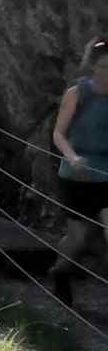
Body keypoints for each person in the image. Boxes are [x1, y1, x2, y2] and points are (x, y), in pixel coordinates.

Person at [48, 38, 108, 307]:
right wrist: (72, 157)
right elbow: (59, 134)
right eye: (104, 67)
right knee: (79, 237)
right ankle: (60, 271)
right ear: (93, 67)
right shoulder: (77, 93)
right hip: (76, 174)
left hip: (106, 173)